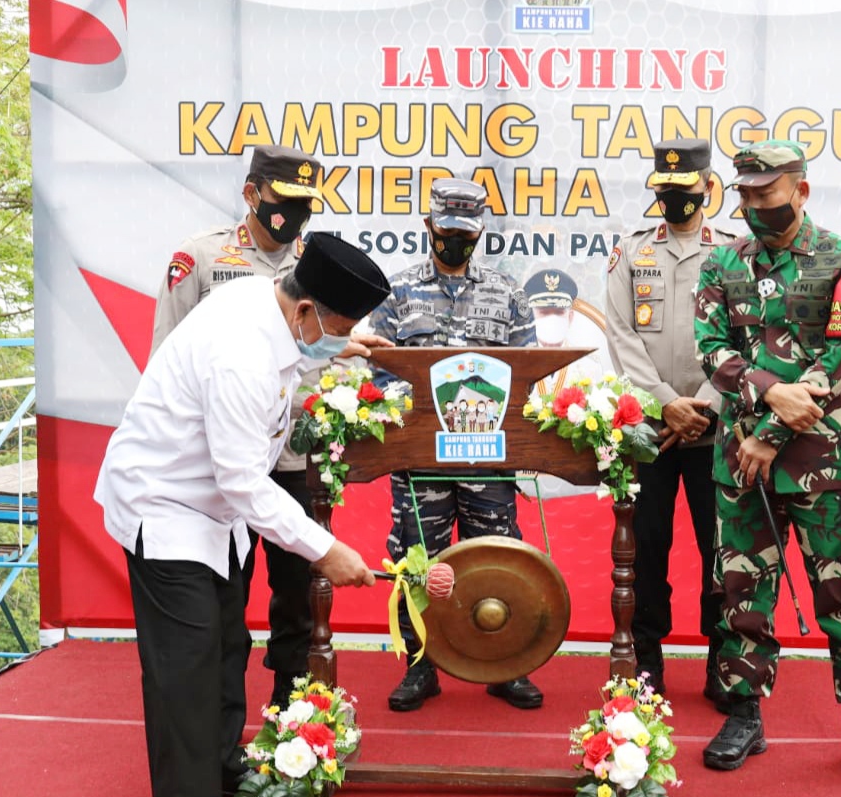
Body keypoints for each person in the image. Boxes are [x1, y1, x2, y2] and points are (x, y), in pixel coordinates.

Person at [95, 232, 393, 797]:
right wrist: (326, 551)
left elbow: (237, 475)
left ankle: (223, 766)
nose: (335, 342)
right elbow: (242, 482)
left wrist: (341, 342)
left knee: (228, 646)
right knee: (185, 673)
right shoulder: (241, 354)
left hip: (213, 514)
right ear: (306, 310)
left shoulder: (269, 298)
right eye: (335, 330)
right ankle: (190, 783)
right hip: (166, 510)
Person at [694, 140, 841, 783]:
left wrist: (774, 428)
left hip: (827, 462)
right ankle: (744, 713)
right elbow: (711, 348)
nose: (755, 204)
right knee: (741, 595)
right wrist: (769, 394)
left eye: (767, 192)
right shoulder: (721, 262)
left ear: (801, 190)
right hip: (742, 464)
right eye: (746, 193)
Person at [150, 143, 331, 710]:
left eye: (307, 204)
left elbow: (342, 359)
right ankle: (222, 727)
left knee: (299, 594)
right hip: (215, 463)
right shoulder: (201, 258)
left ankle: (294, 718)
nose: (295, 215)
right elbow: (166, 359)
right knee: (224, 593)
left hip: (295, 459)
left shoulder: (320, 268)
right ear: (252, 194)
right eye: (285, 201)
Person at [368, 177, 541, 712]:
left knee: (499, 559)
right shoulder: (394, 295)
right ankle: (421, 665)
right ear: (429, 227)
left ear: (480, 232)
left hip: (488, 464)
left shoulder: (508, 294)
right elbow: (379, 373)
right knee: (418, 560)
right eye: (447, 231)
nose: (455, 241)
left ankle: (505, 664)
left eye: (466, 233)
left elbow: (526, 375)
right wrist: (423, 409)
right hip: (421, 463)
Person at [604, 137, 736, 706]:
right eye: (665, 192)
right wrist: (665, 403)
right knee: (646, 549)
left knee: (720, 549)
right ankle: (646, 663)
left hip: (716, 429)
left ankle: (723, 663)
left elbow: (745, 337)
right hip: (649, 431)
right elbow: (620, 334)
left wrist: (704, 403)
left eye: (685, 191)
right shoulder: (631, 252)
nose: (674, 200)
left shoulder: (734, 252)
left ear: (708, 188)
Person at [523, 267, 609, 394]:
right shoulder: (520, 365)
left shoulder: (589, 366)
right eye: (544, 313)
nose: (552, 319)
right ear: (530, 317)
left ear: (570, 317)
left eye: (559, 312)